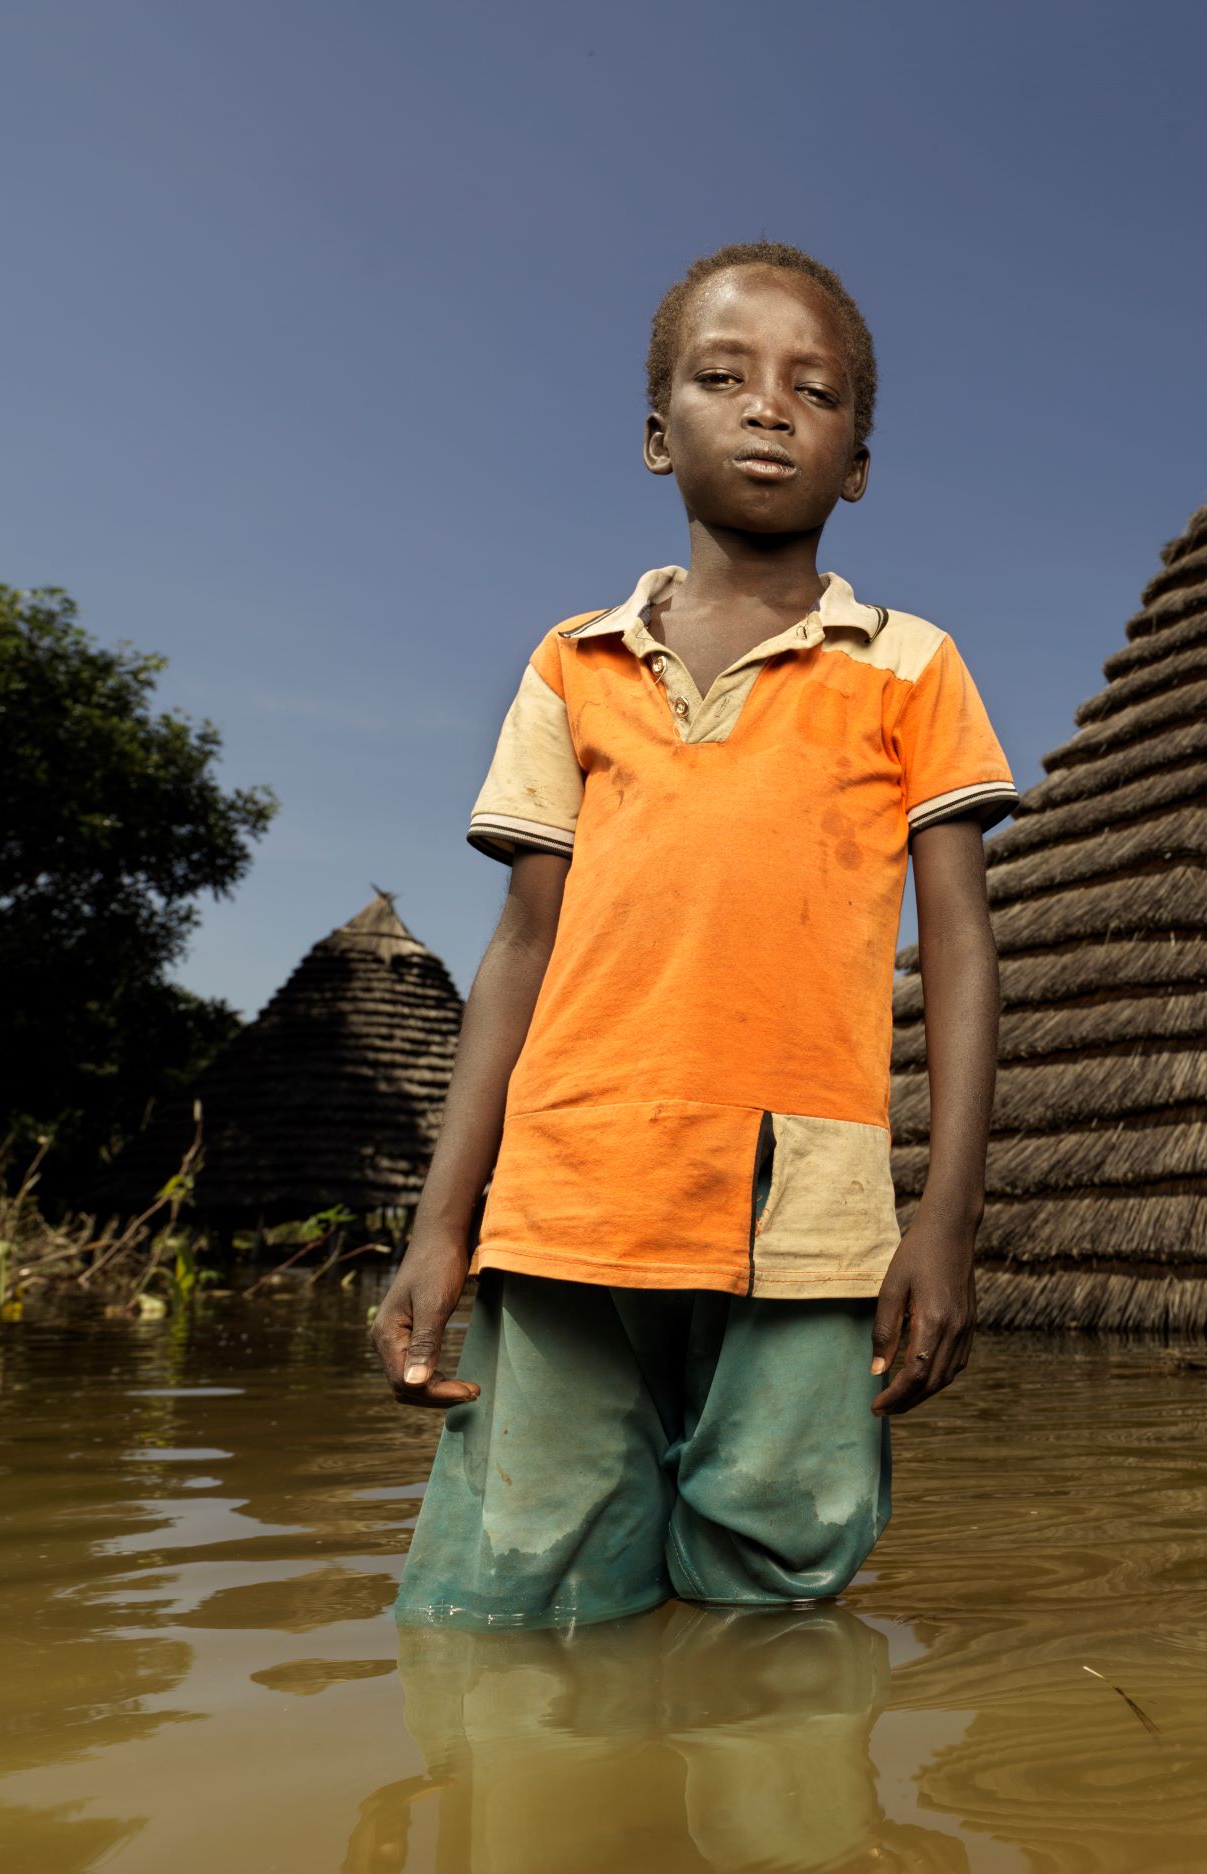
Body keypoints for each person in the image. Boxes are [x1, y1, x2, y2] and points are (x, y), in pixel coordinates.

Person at [375, 242, 1016, 1628]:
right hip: (563, 1206)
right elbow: (520, 948)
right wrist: (444, 1223)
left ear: (857, 461)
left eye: (816, 388)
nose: (770, 406)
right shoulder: (573, 663)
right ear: (661, 435)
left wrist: (949, 1219)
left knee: (775, 1589)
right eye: (724, 377)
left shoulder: (912, 666)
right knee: (517, 1595)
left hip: (805, 1214)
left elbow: (959, 942)